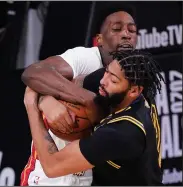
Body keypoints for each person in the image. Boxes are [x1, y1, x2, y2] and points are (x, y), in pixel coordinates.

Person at [20, 8, 138, 186]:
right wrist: (83, 100)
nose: (125, 35)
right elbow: (34, 73)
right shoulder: (86, 58)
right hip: (45, 178)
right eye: (116, 29)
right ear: (99, 40)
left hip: (89, 176)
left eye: (132, 30)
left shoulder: (136, 81)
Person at [24, 50, 164, 185]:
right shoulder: (126, 86)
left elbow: (52, 166)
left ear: (134, 91)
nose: (103, 80)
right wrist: (46, 99)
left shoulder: (124, 132)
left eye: (113, 80)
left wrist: (32, 105)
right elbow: (53, 82)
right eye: (107, 71)